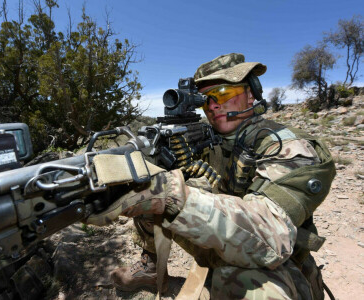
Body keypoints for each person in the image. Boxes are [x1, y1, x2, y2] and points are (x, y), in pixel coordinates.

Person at [86, 53, 336, 299]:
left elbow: (272, 237)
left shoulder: (288, 146)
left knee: (252, 286)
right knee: (145, 186)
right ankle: (151, 269)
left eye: (224, 94)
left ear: (251, 93)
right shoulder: (206, 135)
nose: (213, 105)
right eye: (205, 100)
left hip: (276, 261)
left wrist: (171, 195)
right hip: (224, 235)